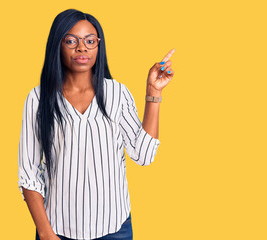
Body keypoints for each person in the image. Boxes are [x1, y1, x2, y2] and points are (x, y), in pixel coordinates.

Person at [17, 8, 175, 240]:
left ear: (98, 46)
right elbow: (28, 173)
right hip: (57, 229)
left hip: (114, 229)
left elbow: (144, 155)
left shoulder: (117, 94)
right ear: (57, 45)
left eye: (90, 41)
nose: (82, 48)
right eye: (71, 40)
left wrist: (153, 92)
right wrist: (46, 232)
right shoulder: (39, 98)